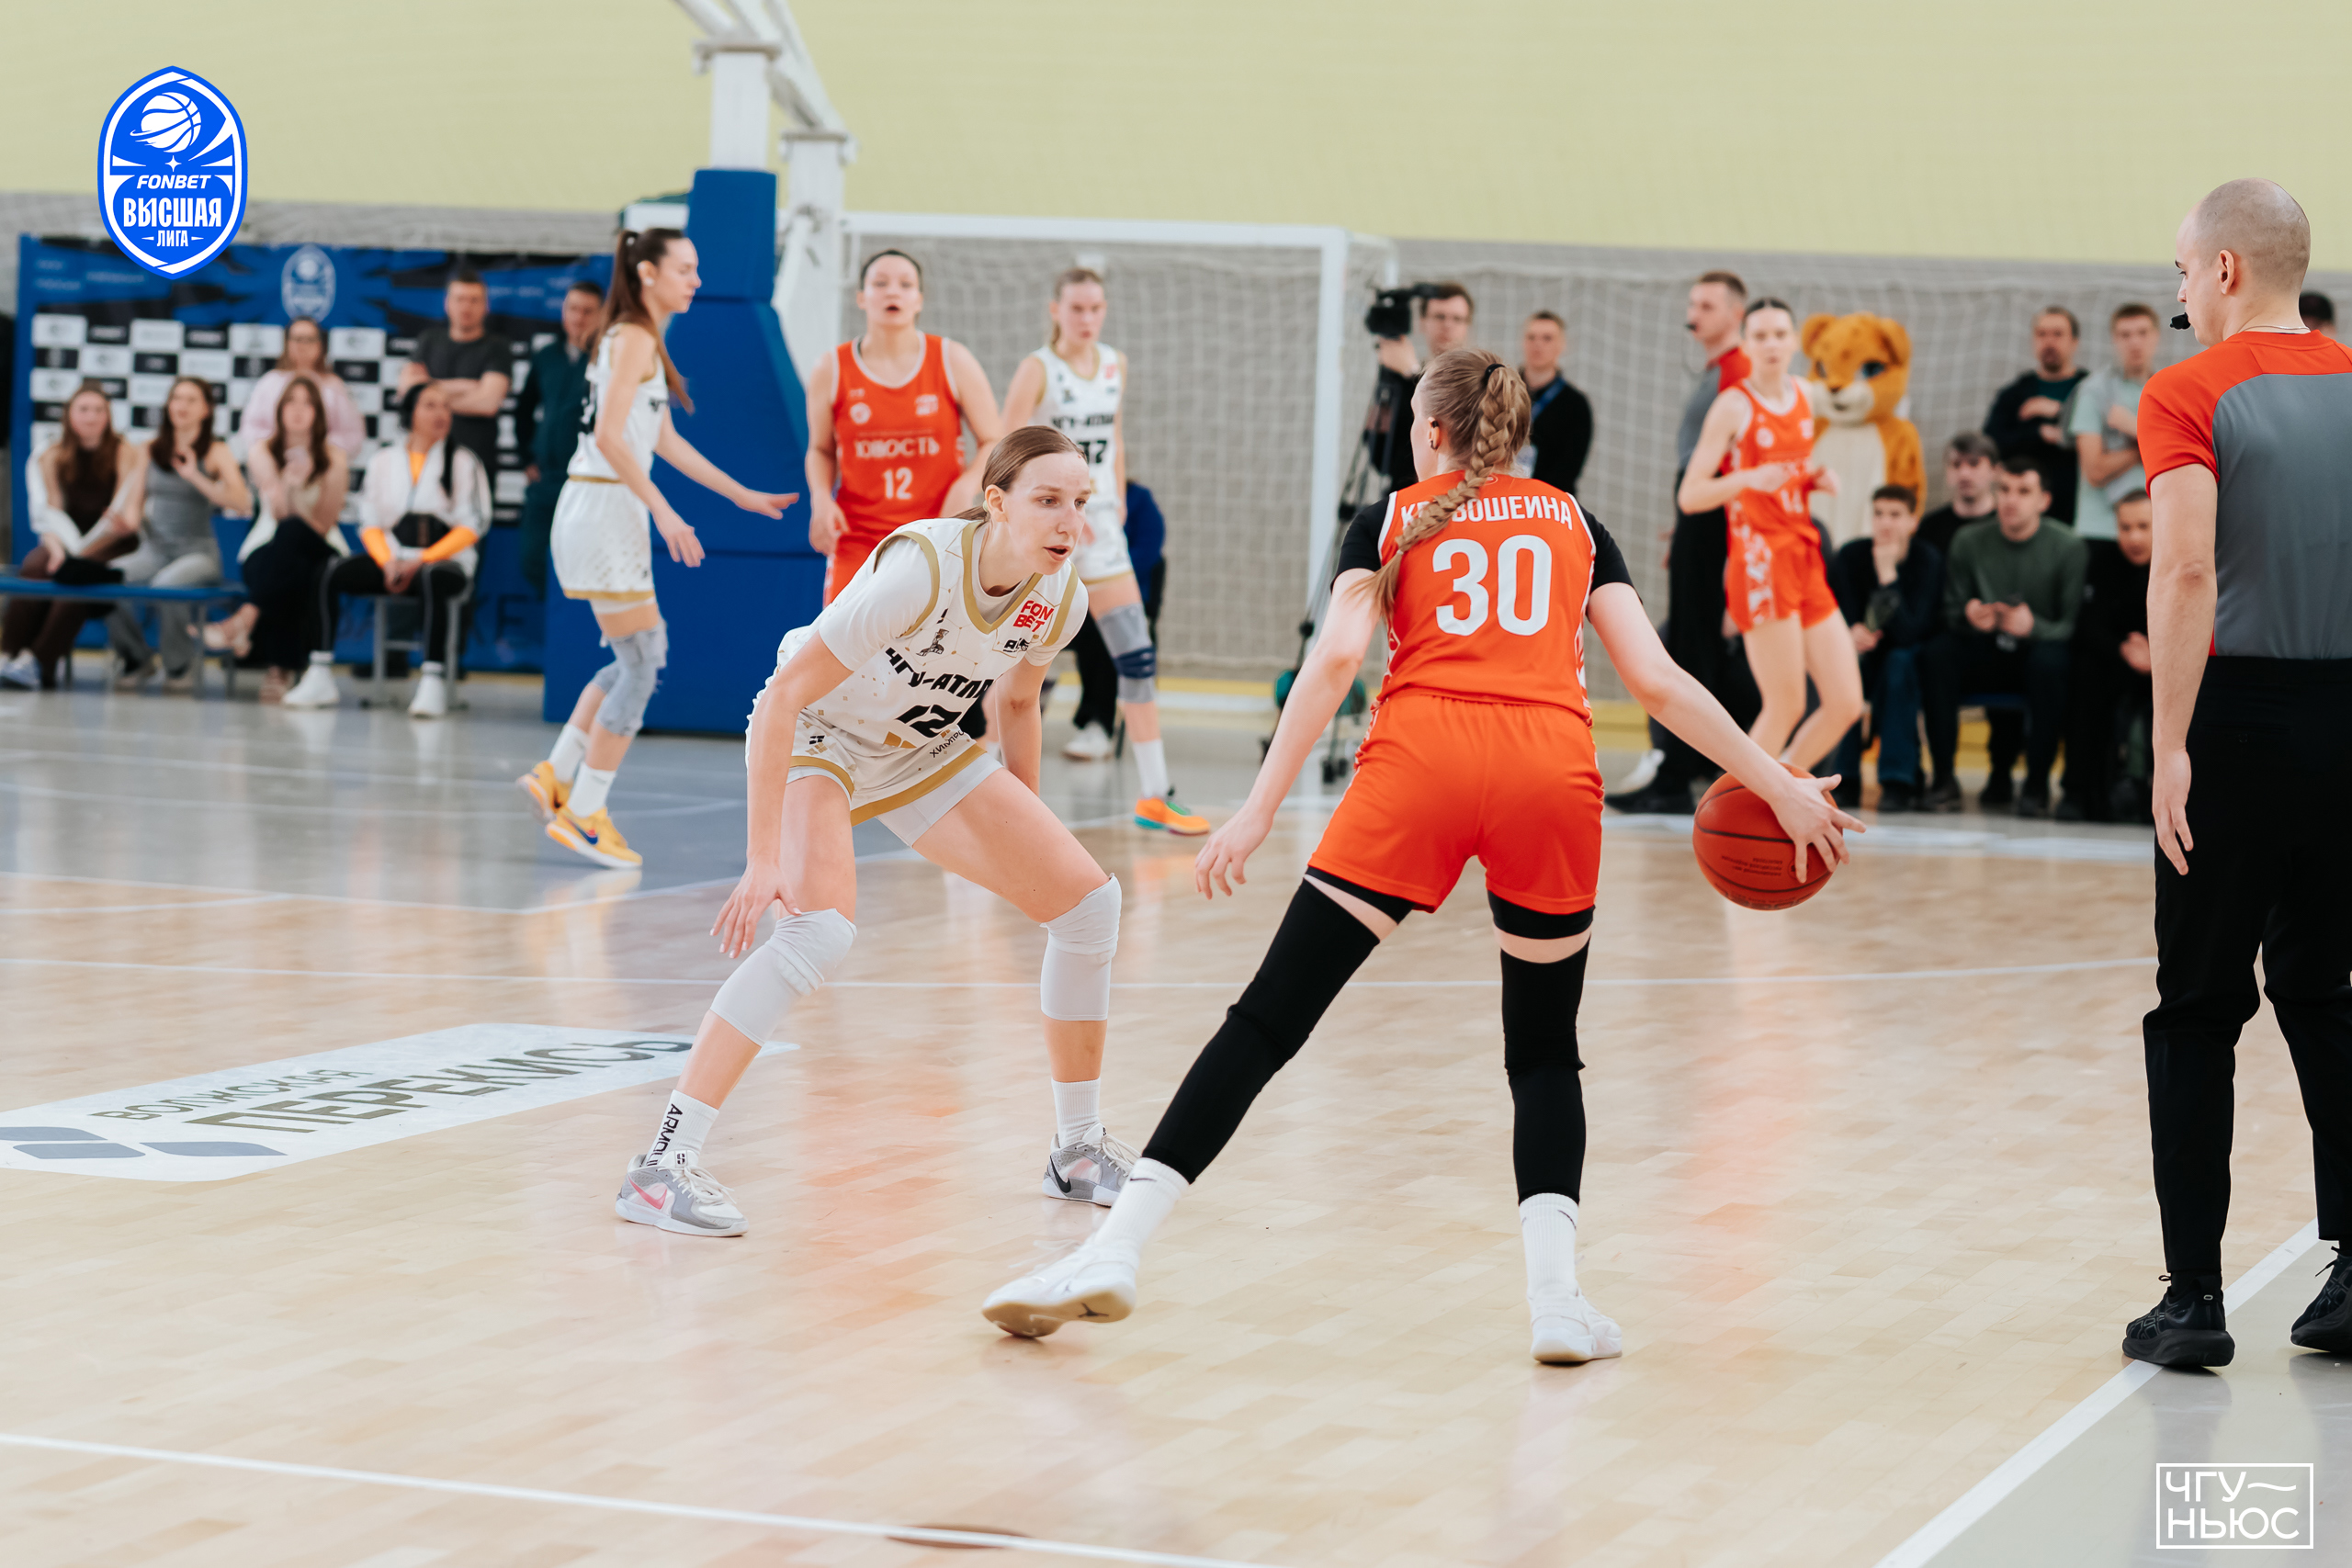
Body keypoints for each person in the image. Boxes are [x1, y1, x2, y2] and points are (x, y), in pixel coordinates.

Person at [977, 348, 1860, 1361]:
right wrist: (1779, 783)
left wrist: (1259, 809)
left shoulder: (1390, 517)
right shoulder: (1576, 522)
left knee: (1265, 1022)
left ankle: (1114, 1249)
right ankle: (1558, 1303)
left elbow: (1335, 661)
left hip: (1419, 769)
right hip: (1548, 777)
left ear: (1430, 431)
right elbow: (1657, 682)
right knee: (1543, 1051)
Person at [613, 425, 1137, 1235]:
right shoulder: (923, 569)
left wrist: (1026, 824)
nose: (1069, 522)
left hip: (919, 748)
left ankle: (1077, 1151)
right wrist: (761, 858)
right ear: (997, 504)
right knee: (817, 933)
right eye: (1047, 501)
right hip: (819, 732)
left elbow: (1018, 701)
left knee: (1088, 908)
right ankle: (659, 1166)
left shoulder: (1058, 596)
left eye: (1079, 502)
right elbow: (782, 699)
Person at [2124, 177, 2352, 1368]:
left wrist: (2171, 744)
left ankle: (2195, 1301)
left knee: (2198, 1007)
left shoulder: (2187, 388)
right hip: (2348, 717)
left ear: (2223, 270)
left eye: (2180, 269)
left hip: (2240, 720)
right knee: (2327, 993)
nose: (2178, 290)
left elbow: (2185, 569)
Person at [514, 230, 794, 866]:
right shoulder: (634, 336)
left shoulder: (635, 336)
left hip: (601, 506)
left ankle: (556, 773)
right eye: (685, 269)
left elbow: (660, 439)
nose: (696, 280)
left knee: (631, 657)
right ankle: (585, 812)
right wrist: (664, 512)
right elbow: (611, 438)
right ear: (647, 273)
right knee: (643, 662)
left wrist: (739, 494)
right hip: (604, 507)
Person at [1001, 267, 1205, 833]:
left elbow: (1113, 436)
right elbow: (1006, 447)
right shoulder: (1038, 369)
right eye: (1076, 308)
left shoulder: (1115, 363)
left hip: (1101, 527)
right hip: (1048, 529)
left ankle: (1155, 792)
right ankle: (988, 791)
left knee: (1136, 654)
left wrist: (1108, 503)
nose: (1087, 318)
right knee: (1011, 662)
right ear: (1055, 310)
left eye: (1096, 308)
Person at [1676, 298, 1863, 773]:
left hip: (1804, 555)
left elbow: (1789, 469)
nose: (1772, 344)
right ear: (1746, 344)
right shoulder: (1733, 406)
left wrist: (1813, 478)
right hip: (1761, 562)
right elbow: (1691, 495)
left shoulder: (1805, 394)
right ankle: (1732, 804)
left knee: (1845, 702)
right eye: (1760, 336)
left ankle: (1782, 791)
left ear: (1795, 341)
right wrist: (1746, 479)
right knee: (1785, 705)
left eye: (1780, 334)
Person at [1607, 269, 1756, 814]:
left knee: (1692, 650)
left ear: (1736, 314)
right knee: (1690, 645)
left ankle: (1676, 776)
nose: (1694, 315)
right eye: (1693, 304)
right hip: (1700, 515)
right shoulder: (1717, 371)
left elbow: (1736, 467)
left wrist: (1723, 543)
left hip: (1715, 518)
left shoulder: (1738, 373)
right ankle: (1684, 769)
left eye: (1707, 306)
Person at [804, 250, 1001, 605]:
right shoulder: (831, 369)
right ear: (861, 297)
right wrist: (820, 498)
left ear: (919, 300)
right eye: (880, 283)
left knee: (935, 637)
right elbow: (820, 449)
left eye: (905, 284)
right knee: (838, 638)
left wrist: (967, 486)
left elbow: (994, 440)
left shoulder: (952, 359)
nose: (892, 292)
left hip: (938, 530)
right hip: (859, 536)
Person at [282, 382, 483, 716]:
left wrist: (423, 559)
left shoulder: (464, 461)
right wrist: (388, 561)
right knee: (329, 571)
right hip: (392, 558)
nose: (441, 414)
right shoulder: (384, 460)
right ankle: (319, 672)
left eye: (446, 407)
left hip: (445, 562)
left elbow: (471, 525)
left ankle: (432, 680)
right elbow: (370, 520)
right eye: (430, 406)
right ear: (410, 413)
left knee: (433, 577)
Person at [1917, 456, 2086, 816]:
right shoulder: (1968, 540)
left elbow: (2071, 626)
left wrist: (2034, 627)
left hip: (2036, 653)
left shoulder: (2069, 547)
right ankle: (1943, 779)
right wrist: (1969, 615)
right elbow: (1950, 610)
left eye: (2023, 491)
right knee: (1938, 654)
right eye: (2005, 490)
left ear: (2044, 500)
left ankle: (2036, 786)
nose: (2011, 500)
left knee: (2052, 664)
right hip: (1984, 646)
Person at [204, 375, 353, 701]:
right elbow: (280, 513)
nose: (298, 410)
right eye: (291, 402)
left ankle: (248, 621)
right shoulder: (262, 451)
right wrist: (288, 486)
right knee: (290, 564)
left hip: (321, 545)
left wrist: (298, 492)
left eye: (307, 403)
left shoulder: (335, 458)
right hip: (267, 543)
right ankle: (281, 669)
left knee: (296, 543)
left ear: (318, 413)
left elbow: (323, 524)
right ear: (279, 410)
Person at [106, 377, 249, 689]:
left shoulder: (216, 451)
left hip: (198, 554)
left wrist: (195, 476)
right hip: (154, 551)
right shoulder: (149, 449)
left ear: (206, 410)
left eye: (191, 400)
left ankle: (179, 666)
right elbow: (134, 505)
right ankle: (136, 658)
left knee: (167, 586)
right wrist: (127, 524)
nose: (182, 406)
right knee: (109, 578)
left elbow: (242, 502)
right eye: (177, 399)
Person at [1, 382, 145, 690]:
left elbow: (123, 516)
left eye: (98, 410)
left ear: (108, 416)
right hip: (65, 542)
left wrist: (78, 557)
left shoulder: (124, 452)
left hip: (113, 542)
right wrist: (57, 550)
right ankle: (8, 653)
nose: (91, 417)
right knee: (34, 567)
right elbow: (50, 514)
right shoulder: (52, 454)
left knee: (79, 576)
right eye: (84, 409)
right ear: (69, 414)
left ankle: (40, 662)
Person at [1827, 485, 1943, 812]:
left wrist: (1888, 577)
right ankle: (1843, 778)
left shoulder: (1927, 560)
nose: (1885, 523)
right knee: (1843, 663)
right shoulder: (1851, 555)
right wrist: (1851, 632)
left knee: (1899, 664)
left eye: (1895, 515)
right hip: (1862, 654)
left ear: (1913, 521)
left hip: (1908, 659)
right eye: (1879, 514)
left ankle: (1897, 780)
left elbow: (1911, 632)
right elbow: (1837, 612)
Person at [2059, 490, 2152, 823]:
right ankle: (2078, 791)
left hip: (2167, 663)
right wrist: (2123, 649)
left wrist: (2158, 657)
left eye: (2143, 527)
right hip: (2118, 659)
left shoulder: (2179, 563)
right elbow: (2088, 624)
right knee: (2085, 675)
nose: (2133, 537)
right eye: (2125, 528)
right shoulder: (2103, 561)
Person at [513, 279, 605, 596]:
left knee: (581, 562)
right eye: (573, 309)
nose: (579, 318)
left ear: (601, 315)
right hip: (545, 479)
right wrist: (526, 458)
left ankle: (575, 622)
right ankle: (554, 614)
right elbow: (523, 410)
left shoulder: (608, 358)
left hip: (586, 481)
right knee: (532, 560)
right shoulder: (546, 356)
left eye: (588, 311)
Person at [1064, 479, 1167, 749]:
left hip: (1114, 598)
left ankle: (1097, 723)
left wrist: (1100, 575)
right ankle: (1000, 721)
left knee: (1105, 631)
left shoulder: (1138, 499)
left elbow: (1149, 549)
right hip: (1067, 595)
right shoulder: (1063, 498)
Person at [395, 266, 514, 483]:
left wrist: (430, 391)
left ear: (486, 305)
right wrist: (468, 386)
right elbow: (408, 390)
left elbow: (488, 403)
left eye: (474, 300)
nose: (466, 307)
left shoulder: (498, 347)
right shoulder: (429, 340)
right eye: (459, 299)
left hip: (477, 461)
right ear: (447, 303)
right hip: (426, 460)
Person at [1368, 282, 1475, 495]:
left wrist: (1412, 373)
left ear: (1467, 325)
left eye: (1457, 319)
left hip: (1455, 497)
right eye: (1440, 317)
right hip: (1406, 496)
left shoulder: (1477, 380)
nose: (1448, 325)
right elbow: (1380, 458)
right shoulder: (1401, 376)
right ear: (1423, 322)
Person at [2068, 303, 2161, 548]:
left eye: (2142, 333)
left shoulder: (2169, 389)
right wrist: (2147, 447)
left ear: (2156, 336)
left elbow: (2188, 456)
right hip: (2101, 529)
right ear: (2114, 340)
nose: (2135, 342)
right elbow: (2095, 470)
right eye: (2125, 335)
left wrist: (2134, 428)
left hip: (2156, 529)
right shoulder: (2093, 391)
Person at [1984, 307, 2087, 524]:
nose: (2049, 342)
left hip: (2080, 509)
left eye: (2057, 334)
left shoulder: (2091, 390)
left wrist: (2060, 411)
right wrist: (2039, 433)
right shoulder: (2015, 394)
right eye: (2042, 334)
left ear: (2074, 342)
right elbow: (1992, 444)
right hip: (2025, 514)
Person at [238, 316, 365, 464]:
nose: (303, 345)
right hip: (275, 463)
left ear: (320, 345)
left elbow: (351, 434)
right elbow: (250, 429)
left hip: (320, 464)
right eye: (297, 339)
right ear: (287, 343)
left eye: (309, 339)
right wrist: (279, 447)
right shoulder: (269, 382)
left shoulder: (334, 386)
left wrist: (317, 450)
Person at [1518, 310, 1593, 493]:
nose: (1538, 344)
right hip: (1500, 497)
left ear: (1562, 345)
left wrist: (1533, 498)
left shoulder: (1576, 405)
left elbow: (1569, 468)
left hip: (1549, 501)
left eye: (1547, 338)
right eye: (1531, 337)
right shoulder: (1499, 391)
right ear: (1523, 342)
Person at [1917, 431, 1998, 559]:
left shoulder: (2008, 526)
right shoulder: (1929, 529)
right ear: (1947, 471)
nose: (1964, 474)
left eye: (1974, 463)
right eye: (1956, 464)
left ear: (1994, 470)